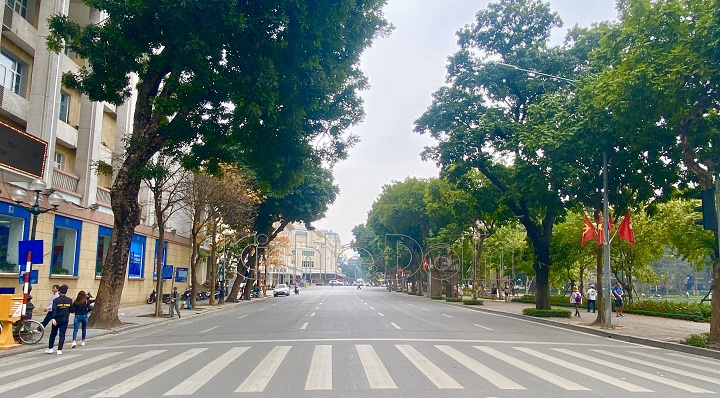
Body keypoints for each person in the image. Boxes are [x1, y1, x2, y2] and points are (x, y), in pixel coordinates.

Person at [45, 284, 72, 355]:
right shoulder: (69, 300)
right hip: (65, 319)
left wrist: (53, 318)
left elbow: (54, 310)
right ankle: (59, 349)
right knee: (62, 334)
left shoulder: (56, 300)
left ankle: (50, 348)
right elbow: (71, 309)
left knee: (53, 333)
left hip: (57, 319)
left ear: (59, 291)